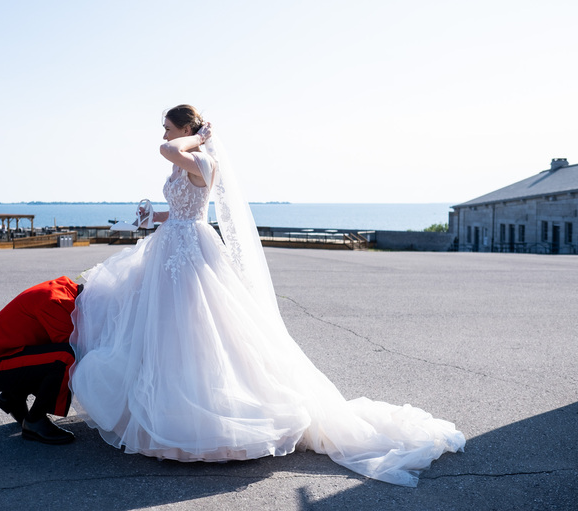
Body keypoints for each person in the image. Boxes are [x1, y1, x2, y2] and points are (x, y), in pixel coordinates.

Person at [68, 105, 465, 486]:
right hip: (172, 244)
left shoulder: (201, 159)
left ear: (187, 131)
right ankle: (168, 411)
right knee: (168, 332)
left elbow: (168, 151)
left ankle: (207, 422)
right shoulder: (182, 159)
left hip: (190, 254)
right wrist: (152, 217)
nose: (164, 135)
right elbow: (183, 208)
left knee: (198, 330)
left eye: (169, 127)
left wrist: (199, 139)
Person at [0, 276, 81, 444]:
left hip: (3, 354)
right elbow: (73, 349)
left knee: (56, 355)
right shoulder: (59, 303)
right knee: (68, 357)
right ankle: (35, 421)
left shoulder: (66, 288)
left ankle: (13, 396)